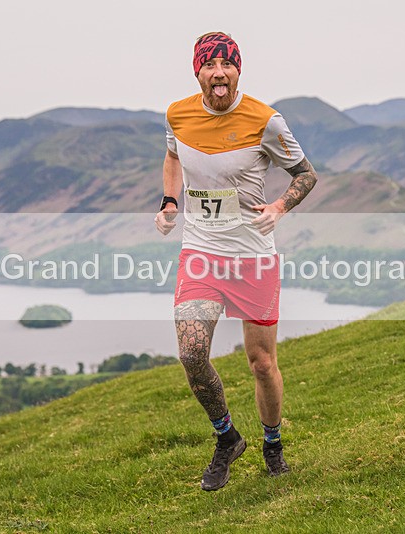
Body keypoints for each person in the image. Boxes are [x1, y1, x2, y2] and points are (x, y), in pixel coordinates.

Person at [154, 31, 317, 491]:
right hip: (201, 252)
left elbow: (306, 174)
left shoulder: (266, 120)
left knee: (261, 363)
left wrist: (280, 206)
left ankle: (273, 444)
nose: (220, 73)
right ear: (198, 72)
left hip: (252, 257)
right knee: (191, 353)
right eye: (211, 65)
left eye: (228, 65)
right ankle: (227, 438)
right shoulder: (177, 114)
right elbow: (172, 157)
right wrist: (170, 201)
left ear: (238, 70)